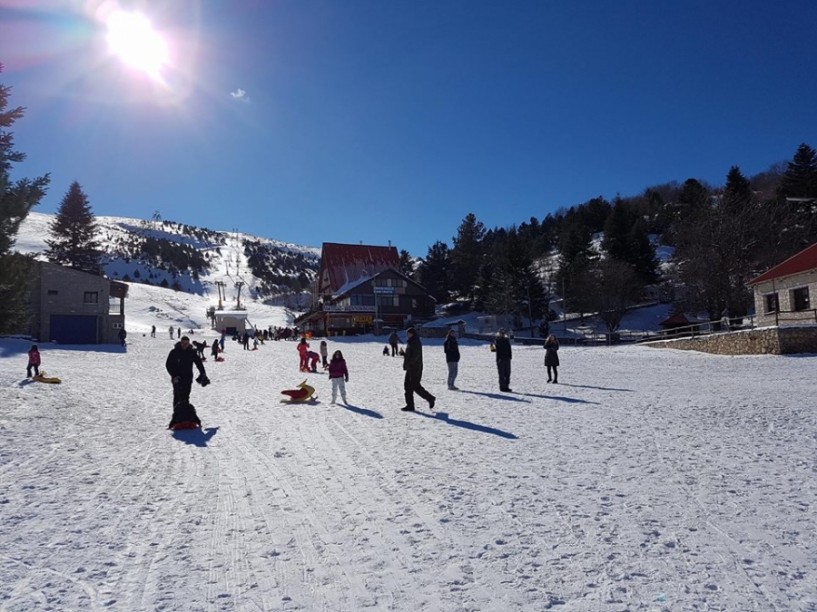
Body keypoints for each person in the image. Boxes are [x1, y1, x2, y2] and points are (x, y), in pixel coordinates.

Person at [165, 335, 210, 428]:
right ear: (180, 343)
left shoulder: (191, 352)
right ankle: (177, 418)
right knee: (177, 398)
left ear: (188, 343)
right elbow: (168, 364)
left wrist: (203, 373)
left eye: (186, 343)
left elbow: (199, 363)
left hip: (188, 378)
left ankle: (185, 418)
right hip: (177, 379)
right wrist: (174, 375)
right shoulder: (174, 352)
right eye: (183, 343)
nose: (184, 345)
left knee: (186, 397)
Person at [401, 327, 435, 412]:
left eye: (408, 333)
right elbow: (410, 354)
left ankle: (430, 398)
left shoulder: (415, 342)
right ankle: (410, 405)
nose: (407, 335)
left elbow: (416, 355)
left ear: (412, 334)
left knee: (415, 386)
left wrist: (409, 363)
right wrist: (404, 355)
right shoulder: (411, 341)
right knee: (407, 386)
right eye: (407, 333)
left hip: (415, 368)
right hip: (410, 367)